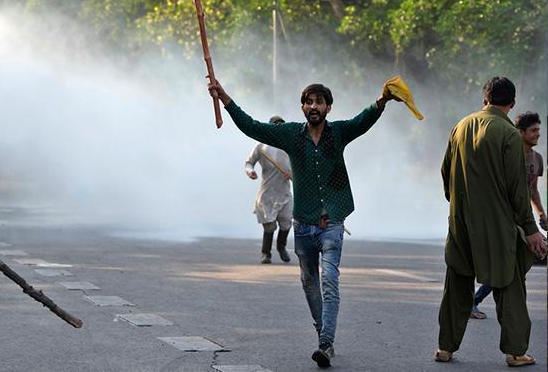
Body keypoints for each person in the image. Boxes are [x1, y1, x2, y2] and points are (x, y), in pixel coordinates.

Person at [209, 79, 398, 368]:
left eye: (319, 102)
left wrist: (382, 100)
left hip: (333, 222)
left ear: (328, 107)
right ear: (302, 107)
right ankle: (324, 333)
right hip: (304, 224)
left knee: (329, 280)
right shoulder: (290, 135)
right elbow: (251, 126)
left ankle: (326, 343)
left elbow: (364, 120)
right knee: (309, 283)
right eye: (309, 102)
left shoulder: (339, 133)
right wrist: (224, 97)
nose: (313, 106)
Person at [435, 77, 546, 367]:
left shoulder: (460, 127)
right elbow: (517, 190)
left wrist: (460, 205)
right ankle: (516, 352)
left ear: (485, 99)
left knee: (457, 283)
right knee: (509, 283)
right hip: (497, 225)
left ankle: (445, 348)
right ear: (511, 103)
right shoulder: (508, 134)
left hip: (461, 222)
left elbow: (446, 175)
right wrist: (531, 230)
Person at [470, 111, 548, 319]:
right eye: (533, 130)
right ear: (520, 132)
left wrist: (541, 213)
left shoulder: (537, 159)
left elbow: (532, 190)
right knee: (509, 264)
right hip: (503, 217)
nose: (538, 134)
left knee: (515, 264)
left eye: (539, 130)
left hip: (523, 218)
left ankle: (478, 302)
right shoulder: (507, 154)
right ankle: (477, 302)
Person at [245, 115, 293, 264]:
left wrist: (292, 173)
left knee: (286, 222)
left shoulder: (290, 145)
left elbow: (301, 166)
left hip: (285, 193)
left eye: (280, 126)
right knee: (269, 226)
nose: (277, 129)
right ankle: (266, 253)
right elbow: (248, 163)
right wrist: (250, 172)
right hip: (268, 193)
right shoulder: (261, 146)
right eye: (274, 126)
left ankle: (281, 246)